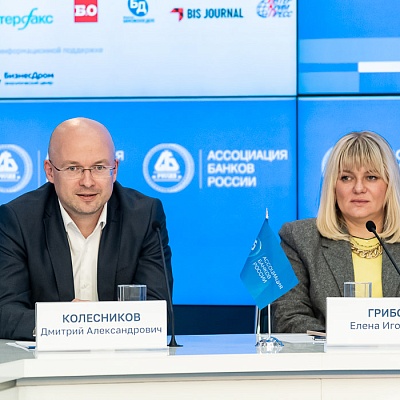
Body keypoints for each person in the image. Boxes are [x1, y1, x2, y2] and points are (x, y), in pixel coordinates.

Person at [0, 117, 173, 340]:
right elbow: (5, 311)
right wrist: (66, 323)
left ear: (115, 169)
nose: (88, 182)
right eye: (74, 168)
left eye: (99, 167)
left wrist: (91, 323)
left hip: (122, 356)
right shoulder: (18, 220)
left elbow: (158, 311)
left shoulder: (144, 217)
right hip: (48, 358)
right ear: (50, 171)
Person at [272, 130, 400, 333]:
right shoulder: (299, 239)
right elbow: (288, 316)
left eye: (371, 177)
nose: (359, 188)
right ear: (333, 186)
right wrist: (342, 342)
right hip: (326, 353)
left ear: (389, 184)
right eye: (346, 178)